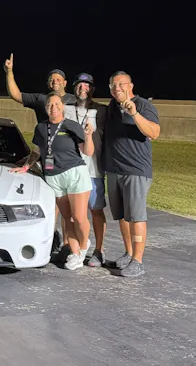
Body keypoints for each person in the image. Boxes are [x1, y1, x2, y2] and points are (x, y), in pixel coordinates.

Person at [11, 92, 95, 270]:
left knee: (79, 217)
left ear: (62, 106)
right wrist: (25, 167)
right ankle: (76, 255)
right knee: (67, 218)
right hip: (53, 177)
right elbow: (37, 151)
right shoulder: (41, 128)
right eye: (50, 105)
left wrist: (88, 136)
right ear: (46, 107)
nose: (53, 108)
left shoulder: (72, 126)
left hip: (75, 174)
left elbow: (88, 151)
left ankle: (83, 245)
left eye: (57, 104)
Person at [4, 53, 76, 253]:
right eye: (52, 79)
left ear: (65, 83)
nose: (55, 81)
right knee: (52, 199)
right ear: (48, 83)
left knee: (69, 204)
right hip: (48, 157)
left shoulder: (74, 101)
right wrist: (9, 72)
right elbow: (16, 95)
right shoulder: (41, 99)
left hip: (70, 158)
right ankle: (50, 239)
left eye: (59, 79)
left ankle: (69, 245)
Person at [104, 71, 160, 277]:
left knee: (136, 216)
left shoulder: (143, 105)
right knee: (122, 216)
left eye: (121, 84)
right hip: (114, 170)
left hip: (135, 170)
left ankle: (138, 261)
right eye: (113, 85)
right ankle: (129, 254)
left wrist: (134, 113)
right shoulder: (111, 107)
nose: (117, 88)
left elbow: (154, 133)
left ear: (131, 86)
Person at [63, 73, 108, 267]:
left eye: (87, 85)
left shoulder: (101, 111)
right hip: (71, 169)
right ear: (74, 88)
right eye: (79, 85)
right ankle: (72, 248)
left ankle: (99, 250)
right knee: (73, 214)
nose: (83, 89)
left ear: (93, 89)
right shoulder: (65, 109)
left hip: (93, 169)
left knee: (96, 210)